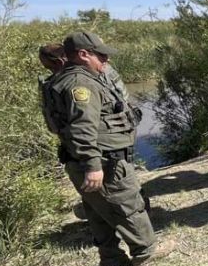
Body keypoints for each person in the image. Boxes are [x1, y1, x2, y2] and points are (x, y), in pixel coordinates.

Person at [41, 32, 169, 266]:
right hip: (104, 162)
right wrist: (93, 165)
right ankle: (146, 254)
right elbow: (82, 126)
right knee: (128, 205)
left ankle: (111, 261)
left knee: (98, 212)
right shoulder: (81, 84)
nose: (106, 60)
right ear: (83, 54)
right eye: (101, 55)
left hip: (83, 160)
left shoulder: (68, 79)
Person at [38, 43, 149, 220]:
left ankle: (136, 212)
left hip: (110, 139)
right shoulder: (57, 83)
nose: (53, 71)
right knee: (110, 185)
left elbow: (113, 104)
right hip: (92, 143)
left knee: (124, 180)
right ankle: (112, 215)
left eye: (53, 67)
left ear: (62, 59)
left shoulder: (87, 77)